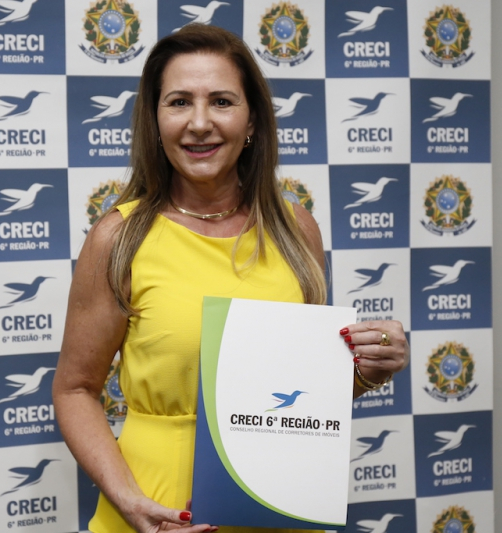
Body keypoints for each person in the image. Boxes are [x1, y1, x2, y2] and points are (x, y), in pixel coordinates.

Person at [53, 24, 409, 533]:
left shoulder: (296, 229)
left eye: (221, 101)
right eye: (179, 102)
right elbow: (74, 390)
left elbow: (297, 392)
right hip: (157, 517)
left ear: (252, 121)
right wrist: (130, 502)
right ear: (155, 120)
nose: (199, 123)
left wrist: (368, 369)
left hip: (275, 510)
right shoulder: (118, 237)